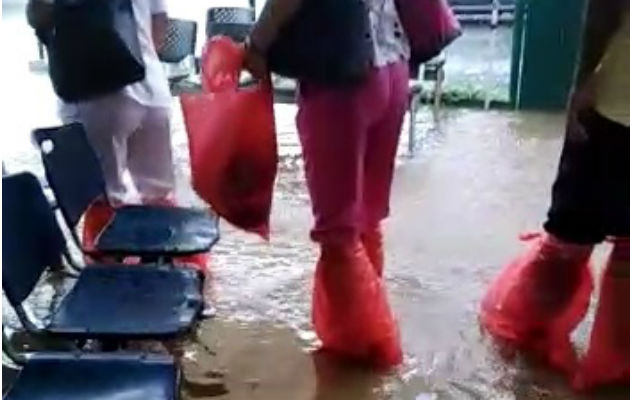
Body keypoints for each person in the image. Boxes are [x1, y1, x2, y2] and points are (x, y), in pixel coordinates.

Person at [244, 0, 409, 366]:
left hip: (342, 75)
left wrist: (256, 46)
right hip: (395, 69)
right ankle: (372, 333)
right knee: (366, 218)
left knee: (338, 232)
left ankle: (358, 352)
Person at [480, 0, 629, 390]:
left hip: (615, 106)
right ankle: (612, 370)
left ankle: (519, 346)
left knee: (567, 241)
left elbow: (605, 12)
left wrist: (580, 84)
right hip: (616, 105)